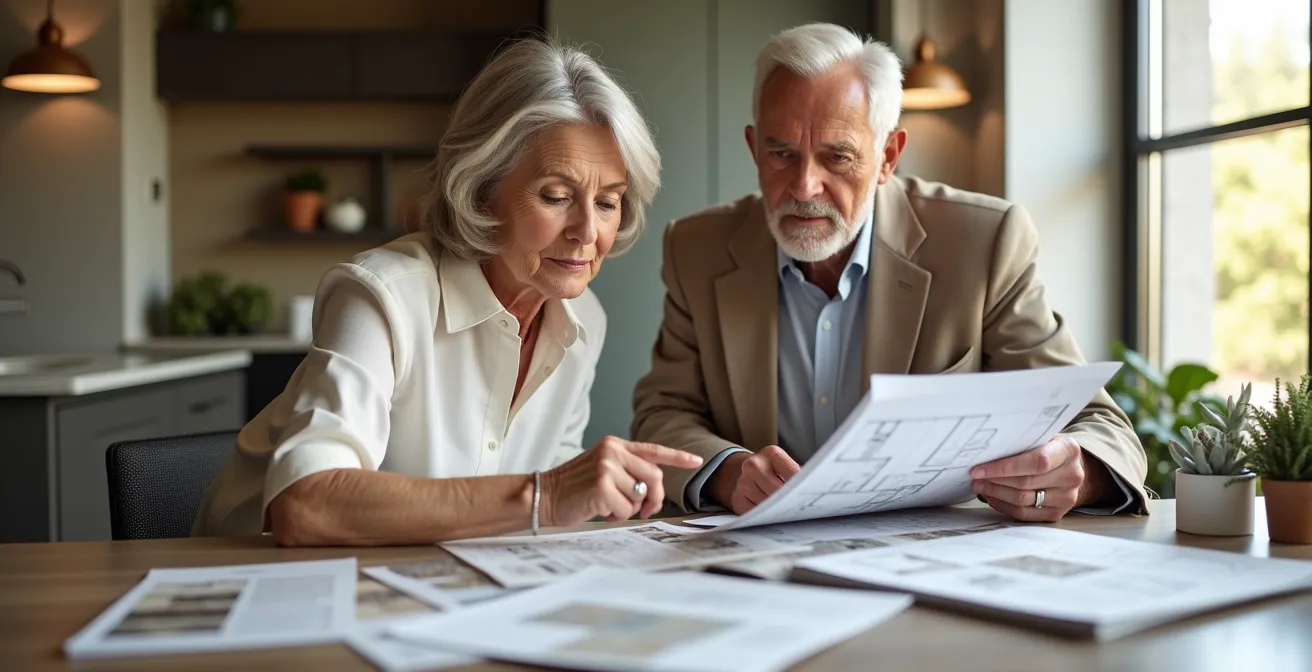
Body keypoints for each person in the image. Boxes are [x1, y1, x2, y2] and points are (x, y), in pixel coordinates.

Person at [631, 23, 1148, 523]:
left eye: (837, 157)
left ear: (887, 156)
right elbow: (662, 415)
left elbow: (1099, 425)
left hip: (930, 561)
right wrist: (727, 472)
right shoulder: (697, 249)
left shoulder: (984, 244)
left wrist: (1075, 473)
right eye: (781, 153)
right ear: (753, 148)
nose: (805, 186)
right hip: (759, 562)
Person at [192, 38, 702, 545]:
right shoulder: (381, 296)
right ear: (482, 190)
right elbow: (305, 505)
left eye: (609, 203)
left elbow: (539, 523)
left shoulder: (584, 318)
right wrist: (547, 495)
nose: (588, 231)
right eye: (556, 197)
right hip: (251, 584)